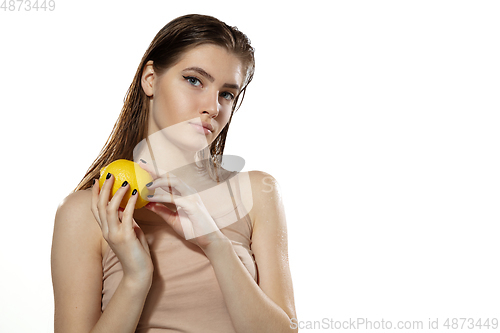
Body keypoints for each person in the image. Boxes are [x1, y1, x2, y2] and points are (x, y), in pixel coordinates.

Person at [51, 14, 297, 332]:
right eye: (194, 80)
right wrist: (136, 279)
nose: (212, 107)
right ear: (150, 79)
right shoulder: (87, 211)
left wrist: (217, 246)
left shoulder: (256, 192)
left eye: (227, 94)